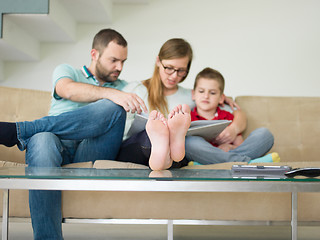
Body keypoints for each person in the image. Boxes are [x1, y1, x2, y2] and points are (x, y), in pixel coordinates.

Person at [0, 28, 147, 240]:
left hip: (94, 148)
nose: (120, 67)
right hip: (55, 144)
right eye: (114, 60)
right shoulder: (67, 71)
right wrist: (112, 94)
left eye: (123, 61)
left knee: (114, 108)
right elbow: (66, 90)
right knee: (41, 139)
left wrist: (118, 97)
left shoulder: (125, 87)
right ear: (94, 54)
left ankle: (19, 131)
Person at [117, 38, 246, 169]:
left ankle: (167, 153)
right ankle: (164, 149)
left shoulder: (192, 96)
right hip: (137, 148)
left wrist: (233, 127)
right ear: (158, 61)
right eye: (169, 68)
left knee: (186, 143)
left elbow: (238, 113)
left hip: (176, 153)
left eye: (181, 71)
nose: (174, 76)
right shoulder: (135, 90)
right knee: (151, 135)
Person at [185, 67, 279, 165]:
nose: (206, 96)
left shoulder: (227, 117)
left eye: (212, 93)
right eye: (201, 91)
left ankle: (224, 161)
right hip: (202, 155)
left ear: (221, 98)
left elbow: (240, 145)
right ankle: (248, 163)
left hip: (226, 154)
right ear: (193, 94)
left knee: (265, 134)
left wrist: (230, 147)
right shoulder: (188, 118)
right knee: (189, 142)